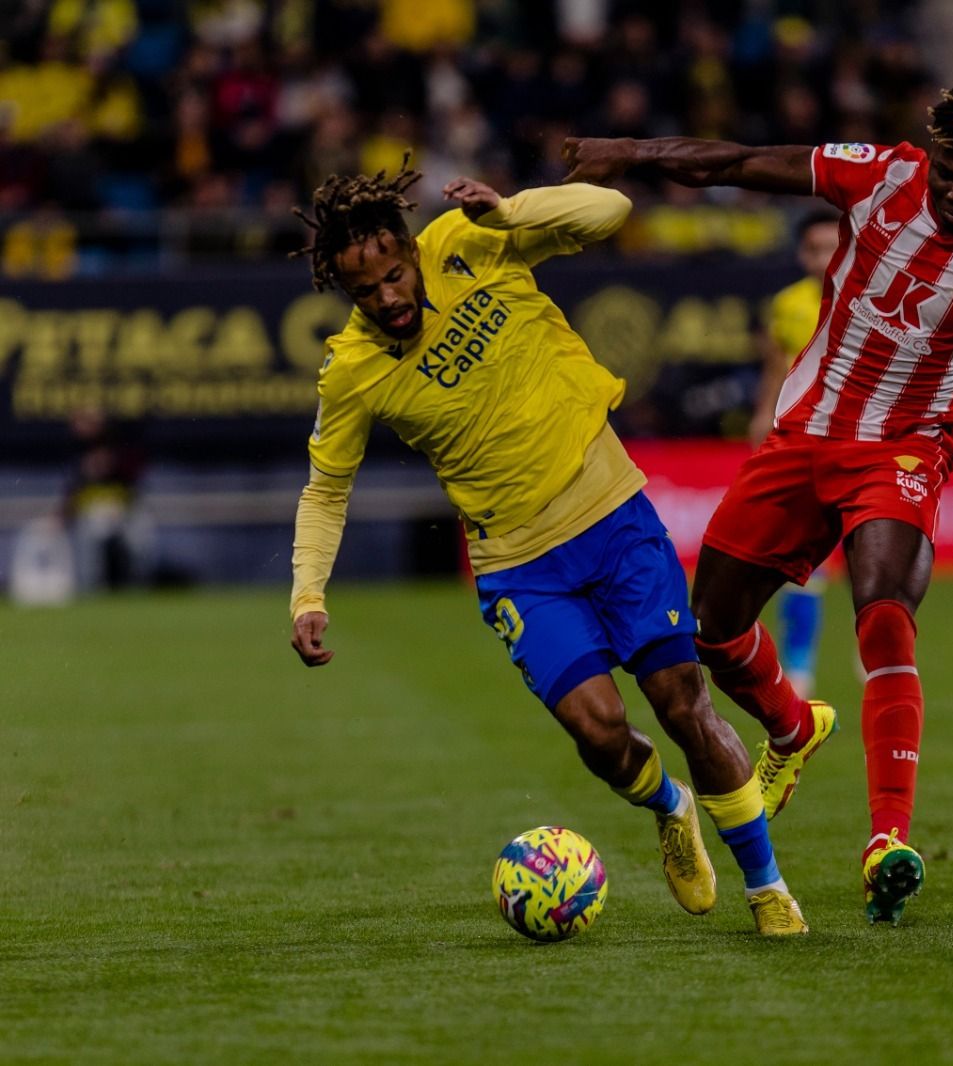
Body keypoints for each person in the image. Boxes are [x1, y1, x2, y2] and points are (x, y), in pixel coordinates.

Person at [564, 66, 953, 925]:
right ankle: (794, 727)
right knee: (714, 628)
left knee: (881, 607)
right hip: (804, 435)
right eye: (949, 172)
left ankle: (888, 841)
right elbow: (736, 161)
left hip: (907, 449)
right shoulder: (881, 172)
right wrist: (631, 151)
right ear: (934, 153)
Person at [285, 161, 807, 936]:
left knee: (682, 703)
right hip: (521, 567)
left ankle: (768, 891)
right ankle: (670, 806)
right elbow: (325, 490)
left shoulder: (472, 241)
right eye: (368, 291)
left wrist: (507, 210)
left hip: (614, 517)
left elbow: (610, 209)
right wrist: (308, 594)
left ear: (408, 249)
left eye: (395, 274)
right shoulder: (352, 373)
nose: (389, 296)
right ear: (345, 290)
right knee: (597, 731)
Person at [749, 210, 842, 700]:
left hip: (861, 444)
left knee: (877, 561)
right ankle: (800, 664)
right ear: (802, 253)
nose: (824, 259)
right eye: (816, 249)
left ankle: (880, 655)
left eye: (833, 247)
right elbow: (775, 368)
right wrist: (763, 414)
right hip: (802, 442)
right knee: (803, 561)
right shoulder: (787, 305)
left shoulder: (871, 298)